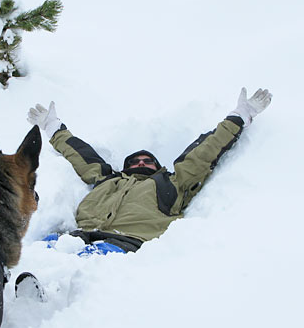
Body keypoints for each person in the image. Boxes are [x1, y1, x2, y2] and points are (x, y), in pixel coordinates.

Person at [27, 88, 272, 255]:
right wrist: (52, 126)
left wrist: (240, 116)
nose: (142, 163)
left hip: (127, 244)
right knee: (39, 255)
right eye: (136, 161)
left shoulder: (171, 183)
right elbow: (80, 154)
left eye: (148, 161)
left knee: (83, 265)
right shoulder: (106, 179)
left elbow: (205, 151)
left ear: (158, 167)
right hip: (77, 236)